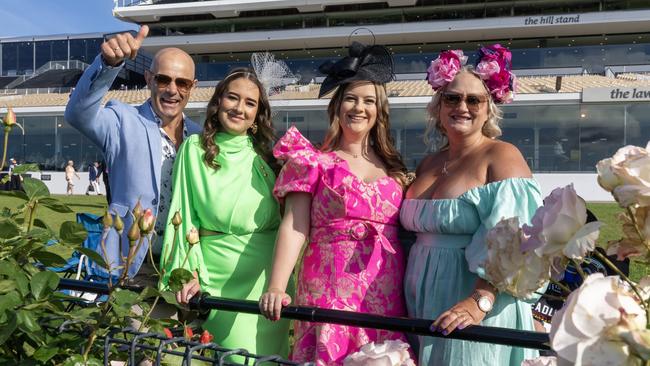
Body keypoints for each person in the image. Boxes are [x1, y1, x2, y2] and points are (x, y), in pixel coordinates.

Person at [259, 42, 412, 365]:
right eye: (351, 99)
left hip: (384, 292)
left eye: (368, 100)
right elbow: (295, 226)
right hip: (328, 289)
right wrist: (276, 285)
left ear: (379, 110)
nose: (359, 108)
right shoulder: (312, 161)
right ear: (337, 106)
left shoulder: (396, 170)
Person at [401, 45, 542, 365]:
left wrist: (480, 301)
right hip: (420, 299)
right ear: (438, 106)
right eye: (452, 97)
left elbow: (517, 239)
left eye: (473, 99)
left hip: (474, 304)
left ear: (489, 107)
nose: (461, 106)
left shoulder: (502, 156)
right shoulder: (427, 164)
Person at [160, 67, 292, 358]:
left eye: (250, 103)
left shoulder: (268, 159)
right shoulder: (194, 149)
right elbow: (182, 216)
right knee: (228, 356)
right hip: (217, 276)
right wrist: (185, 273)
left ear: (258, 115)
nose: (239, 108)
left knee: (266, 361)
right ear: (218, 102)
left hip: (267, 280)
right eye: (233, 98)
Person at [64, 26, 202, 280]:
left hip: (182, 267)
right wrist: (107, 63)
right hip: (128, 265)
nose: (172, 89)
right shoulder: (121, 120)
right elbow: (77, 114)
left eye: (182, 82)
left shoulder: (200, 137)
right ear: (149, 79)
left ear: (192, 86)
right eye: (163, 79)